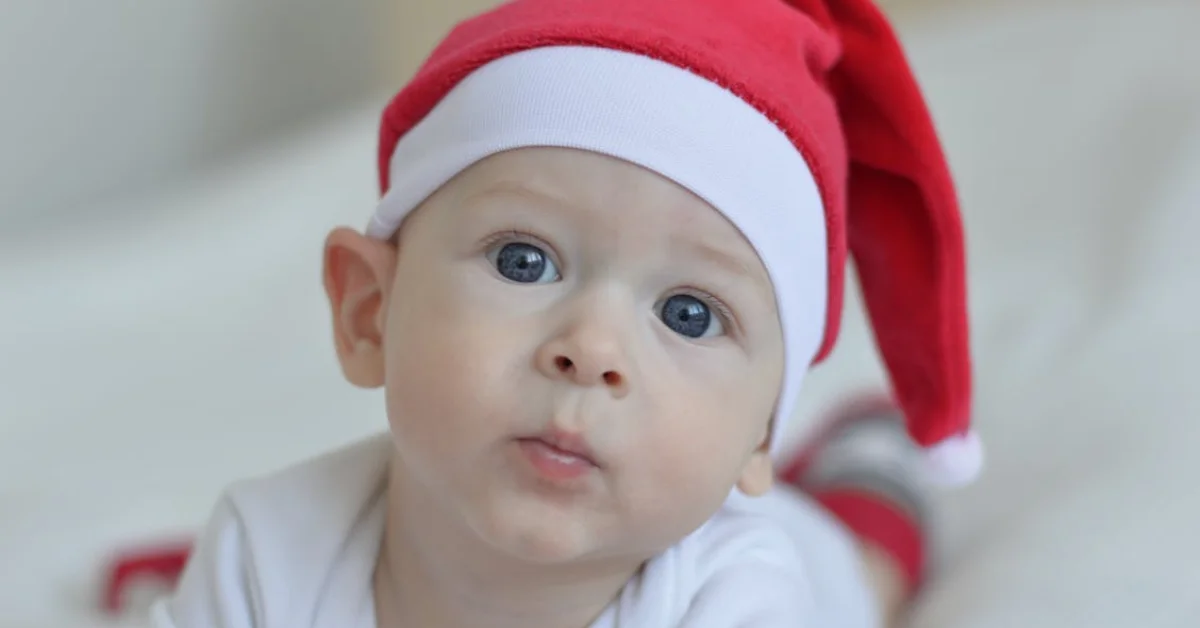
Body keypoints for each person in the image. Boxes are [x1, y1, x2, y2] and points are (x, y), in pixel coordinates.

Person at [151, 0, 982, 625]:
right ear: (371, 310)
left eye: (690, 314)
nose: (591, 349)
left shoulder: (744, 598)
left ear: (758, 432)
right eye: (525, 260)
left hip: (815, 560)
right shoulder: (262, 551)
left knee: (866, 569)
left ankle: (872, 459)